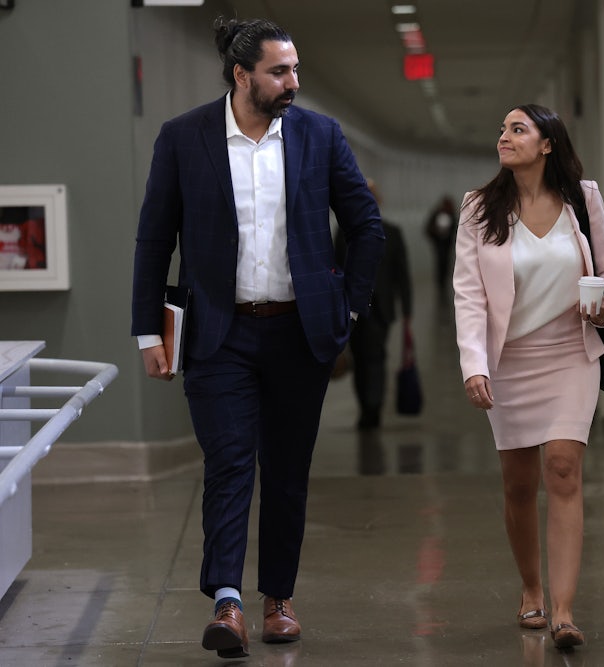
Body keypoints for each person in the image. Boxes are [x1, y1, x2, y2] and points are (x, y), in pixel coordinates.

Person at [130, 17, 384, 659]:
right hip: (219, 334)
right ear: (242, 76)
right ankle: (227, 600)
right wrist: (145, 330)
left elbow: (366, 226)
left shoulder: (319, 135)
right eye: (279, 71)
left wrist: (346, 310)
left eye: (296, 69)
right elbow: (155, 239)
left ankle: (278, 597)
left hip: (299, 335)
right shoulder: (184, 137)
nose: (293, 82)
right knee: (230, 465)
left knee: (288, 471)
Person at [452, 104, 604, 650]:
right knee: (520, 484)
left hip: (571, 353)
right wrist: (473, 364)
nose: (503, 137)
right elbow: (469, 295)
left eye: (517, 129)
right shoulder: (479, 209)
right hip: (511, 362)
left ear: (547, 143)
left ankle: (565, 613)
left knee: (563, 468)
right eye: (502, 128)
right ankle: (531, 588)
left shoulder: (583, 198)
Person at [335, 180, 413, 430]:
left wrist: (407, 311)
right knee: (359, 358)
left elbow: (402, 274)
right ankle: (367, 406)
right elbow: (335, 268)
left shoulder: (392, 232)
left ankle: (374, 406)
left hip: (381, 309)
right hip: (353, 309)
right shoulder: (344, 232)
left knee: (375, 357)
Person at [424, 195, 457, 298]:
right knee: (440, 263)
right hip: (439, 244)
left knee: (445, 263)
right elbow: (428, 228)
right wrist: (436, 235)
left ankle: (443, 282)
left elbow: (455, 229)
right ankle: (441, 283)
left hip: (446, 244)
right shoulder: (438, 214)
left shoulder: (451, 215)